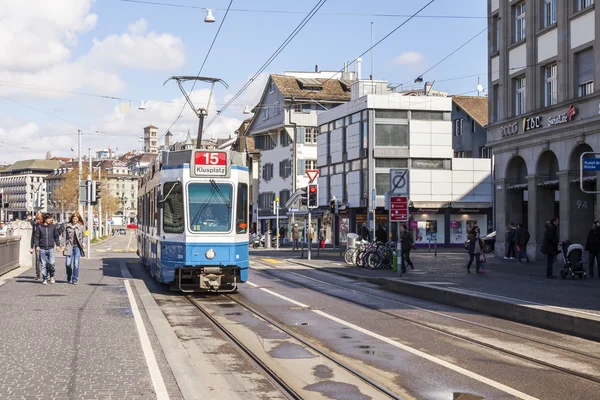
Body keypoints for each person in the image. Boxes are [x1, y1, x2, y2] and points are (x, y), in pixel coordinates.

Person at [33, 214, 61, 285]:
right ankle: (45, 278)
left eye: (51, 218)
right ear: (45, 219)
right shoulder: (39, 227)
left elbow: (56, 236)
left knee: (52, 263)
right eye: (49, 218)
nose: (50, 220)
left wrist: (58, 245)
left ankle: (51, 276)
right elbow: (36, 237)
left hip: (51, 248)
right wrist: (37, 246)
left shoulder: (53, 227)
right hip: (42, 248)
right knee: (44, 264)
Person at [63, 212, 86, 285]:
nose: (74, 220)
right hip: (69, 246)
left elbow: (83, 236)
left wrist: (83, 243)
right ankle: (69, 276)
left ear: (78, 219)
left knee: (76, 264)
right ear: (71, 219)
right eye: (73, 219)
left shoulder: (81, 227)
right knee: (68, 264)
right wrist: (62, 246)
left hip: (77, 247)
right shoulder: (67, 226)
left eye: (76, 219)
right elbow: (64, 237)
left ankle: (75, 279)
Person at [30, 213, 44, 280]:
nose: (38, 220)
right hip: (37, 244)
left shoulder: (45, 225)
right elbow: (33, 236)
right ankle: (38, 274)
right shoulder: (35, 225)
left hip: (44, 244)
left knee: (44, 259)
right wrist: (31, 246)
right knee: (37, 259)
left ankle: (46, 273)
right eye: (37, 219)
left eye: (39, 219)